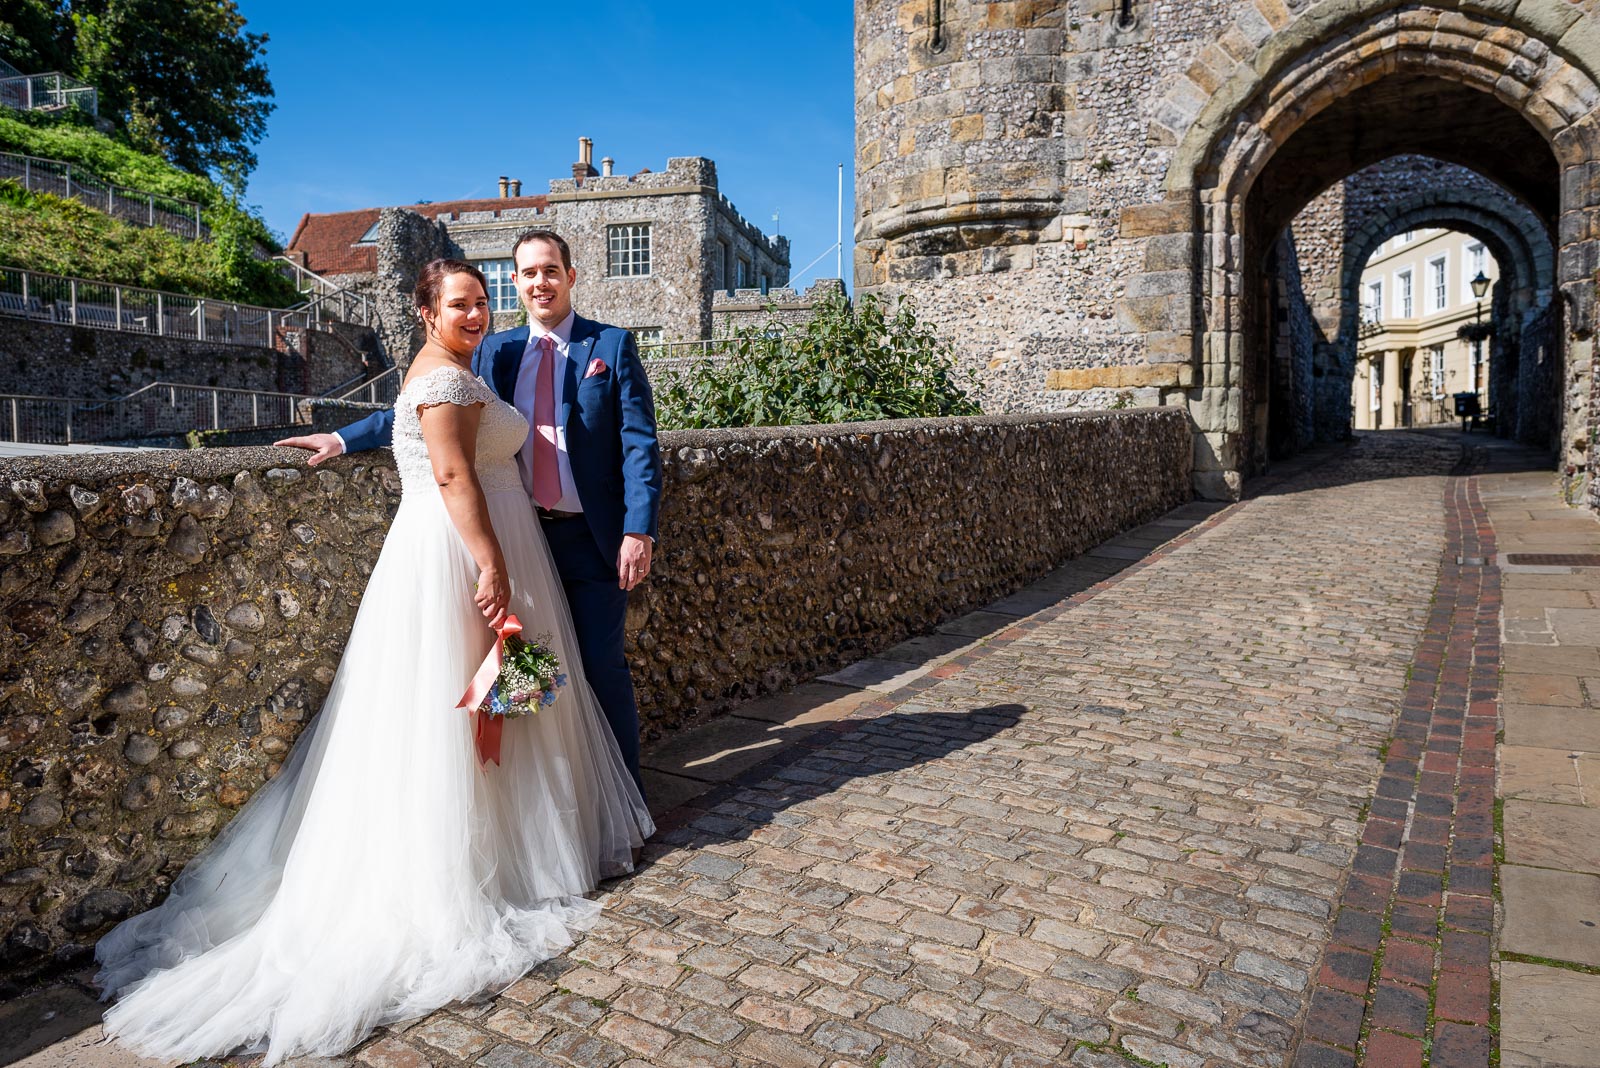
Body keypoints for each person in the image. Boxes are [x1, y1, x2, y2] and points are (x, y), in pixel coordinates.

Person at [95, 260, 654, 1066]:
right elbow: (447, 458)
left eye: (483, 299)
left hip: (523, 543)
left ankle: (523, 846)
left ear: (563, 278)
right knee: (463, 703)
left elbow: (599, 437)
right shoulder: (453, 370)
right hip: (463, 554)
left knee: (508, 697)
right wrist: (488, 564)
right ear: (426, 313)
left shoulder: (500, 356)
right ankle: (466, 871)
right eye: (461, 302)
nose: (479, 310)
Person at [278, 229, 660, 794]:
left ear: (570, 276)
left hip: (592, 538)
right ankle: (542, 804)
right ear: (517, 283)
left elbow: (639, 444)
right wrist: (341, 437)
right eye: (528, 273)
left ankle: (624, 797)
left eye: (550, 269)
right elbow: (430, 412)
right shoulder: (494, 350)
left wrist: (638, 529)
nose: (540, 282)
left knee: (600, 670)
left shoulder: (612, 346)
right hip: (521, 535)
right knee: (525, 675)